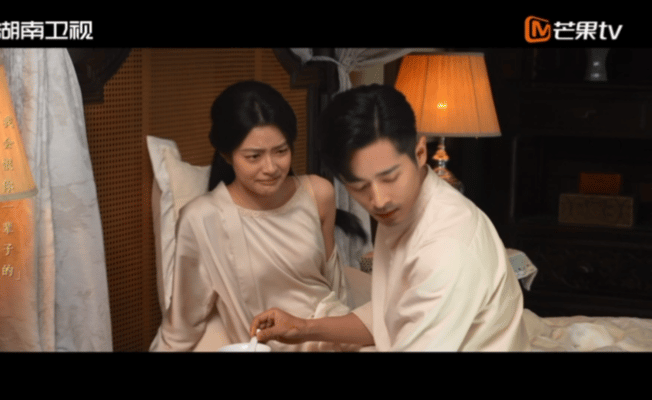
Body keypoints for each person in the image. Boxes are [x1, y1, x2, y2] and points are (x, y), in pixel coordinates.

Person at [250, 84, 530, 351]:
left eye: (390, 177)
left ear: (420, 153)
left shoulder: (446, 247)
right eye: (359, 186)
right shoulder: (404, 207)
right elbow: (391, 317)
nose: (379, 200)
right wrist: (302, 328)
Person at [150, 81, 365, 352]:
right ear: (227, 155)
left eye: (281, 151)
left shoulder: (318, 193)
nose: (271, 167)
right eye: (254, 157)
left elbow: (336, 288)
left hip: (334, 337)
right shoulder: (202, 218)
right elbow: (183, 323)